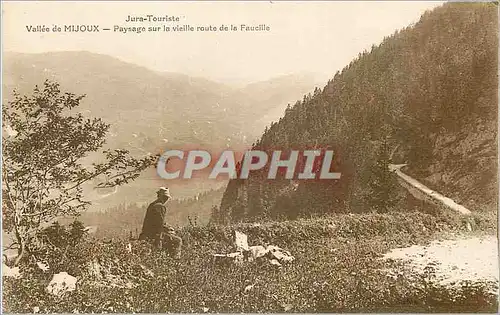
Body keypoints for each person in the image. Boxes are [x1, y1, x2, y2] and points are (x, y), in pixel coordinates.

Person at [139, 187, 182, 258]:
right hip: (154, 235)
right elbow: (159, 224)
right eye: (166, 197)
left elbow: (156, 221)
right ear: (163, 197)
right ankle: (175, 260)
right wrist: (169, 229)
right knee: (178, 240)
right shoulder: (160, 207)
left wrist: (166, 227)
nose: (166, 199)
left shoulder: (152, 205)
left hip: (147, 233)